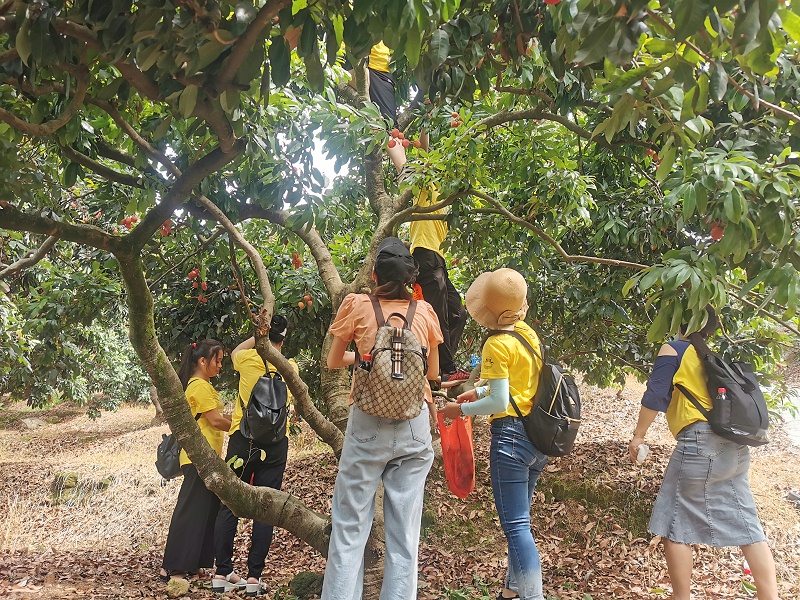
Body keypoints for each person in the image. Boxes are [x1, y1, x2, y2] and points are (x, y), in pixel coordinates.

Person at [321, 236, 443, 600]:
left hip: (368, 424)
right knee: (405, 534)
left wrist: (367, 358)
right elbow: (432, 374)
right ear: (411, 277)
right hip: (412, 425)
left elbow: (332, 361)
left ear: (374, 274)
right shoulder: (424, 312)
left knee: (349, 529)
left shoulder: (357, 305)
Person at [629, 308, 780, 600]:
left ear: (678, 323)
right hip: (734, 449)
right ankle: (770, 596)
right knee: (748, 526)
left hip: (699, 445)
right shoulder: (709, 358)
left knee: (675, 525)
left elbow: (655, 396)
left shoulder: (674, 349)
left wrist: (638, 436)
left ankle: (681, 597)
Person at [440, 268, 547, 600]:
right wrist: (479, 391)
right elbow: (516, 386)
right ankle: (512, 591)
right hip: (536, 438)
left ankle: (532, 596)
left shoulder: (496, 344)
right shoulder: (527, 334)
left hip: (511, 439)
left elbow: (501, 401)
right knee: (521, 523)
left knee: (516, 528)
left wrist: (459, 410)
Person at [212, 315, 299, 595]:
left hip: (242, 440)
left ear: (263, 337)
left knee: (229, 503)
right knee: (265, 506)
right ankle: (253, 578)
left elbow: (236, 350)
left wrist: (257, 335)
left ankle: (222, 573)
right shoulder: (291, 367)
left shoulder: (247, 360)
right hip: (274, 445)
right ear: (283, 340)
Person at [160, 339, 231, 582]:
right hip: (196, 459)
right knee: (190, 511)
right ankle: (174, 566)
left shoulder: (204, 386)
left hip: (207, 458)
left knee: (205, 511)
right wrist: (244, 426)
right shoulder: (199, 386)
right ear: (202, 361)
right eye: (217, 360)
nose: (220, 365)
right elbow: (216, 421)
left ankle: (195, 564)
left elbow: (218, 417)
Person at [410, 185, 468, 382]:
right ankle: (448, 370)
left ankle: (442, 364)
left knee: (458, 313)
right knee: (438, 316)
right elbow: (409, 157)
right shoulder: (426, 186)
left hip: (437, 260)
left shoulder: (445, 201)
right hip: (424, 255)